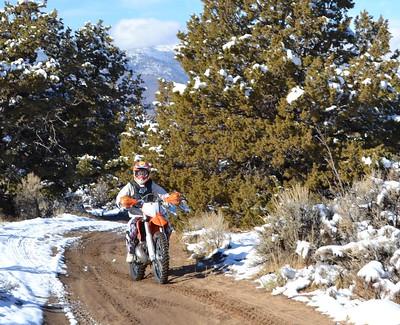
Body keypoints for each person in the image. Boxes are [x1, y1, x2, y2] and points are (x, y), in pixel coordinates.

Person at [116, 161, 181, 263]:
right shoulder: (130, 186)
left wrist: (170, 198)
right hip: (137, 213)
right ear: (135, 173)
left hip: (152, 213)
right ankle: (131, 252)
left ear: (148, 173)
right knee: (132, 227)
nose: (141, 176)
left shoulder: (152, 185)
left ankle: (163, 247)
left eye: (144, 173)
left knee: (167, 226)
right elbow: (120, 198)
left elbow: (163, 194)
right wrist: (124, 201)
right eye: (139, 173)